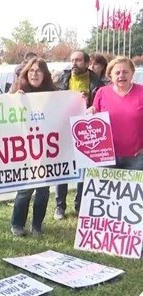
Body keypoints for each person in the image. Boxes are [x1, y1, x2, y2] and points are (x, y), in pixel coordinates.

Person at [54, 50, 105, 220]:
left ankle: (80, 204)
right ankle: (59, 206)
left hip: (86, 131)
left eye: (78, 60)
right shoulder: (62, 79)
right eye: (72, 60)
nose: (74, 63)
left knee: (84, 170)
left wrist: (87, 101)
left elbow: (101, 105)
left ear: (87, 62)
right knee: (63, 169)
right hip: (64, 130)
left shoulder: (97, 82)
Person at [10, 58, 56, 237]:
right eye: (31, 70)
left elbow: (65, 110)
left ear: (44, 75)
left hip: (47, 148)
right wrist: (14, 100)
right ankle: (17, 224)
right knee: (25, 188)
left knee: (43, 189)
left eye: (38, 70)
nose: (34, 74)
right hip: (25, 149)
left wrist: (78, 100)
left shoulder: (53, 94)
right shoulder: (18, 91)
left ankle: (37, 225)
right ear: (26, 73)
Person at [87, 57, 143, 171]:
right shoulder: (102, 92)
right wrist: (90, 112)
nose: (121, 75)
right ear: (110, 75)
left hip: (136, 157)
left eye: (125, 72)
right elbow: (94, 122)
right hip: (106, 156)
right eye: (117, 73)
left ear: (132, 73)